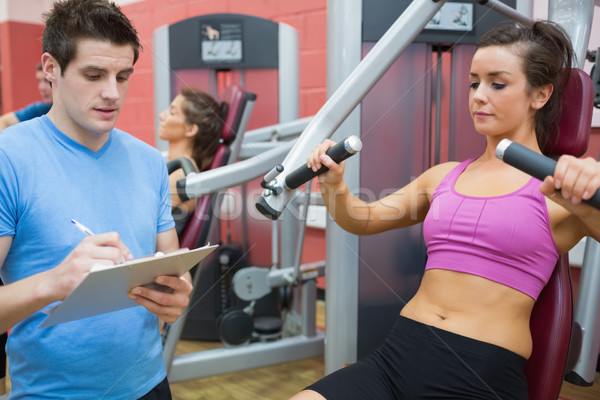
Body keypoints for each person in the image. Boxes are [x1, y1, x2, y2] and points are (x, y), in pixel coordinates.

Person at [292, 21, 600, 400]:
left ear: (540, 95)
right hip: (397, 357)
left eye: (497, 83)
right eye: (474, 83)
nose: (478, 96)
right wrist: (334, 183)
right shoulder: (443, 177)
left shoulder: (559, 189)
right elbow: (363, 219)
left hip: (478, 373)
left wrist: (592, 189)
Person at [0, 0, 192, 399]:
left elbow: (170, 268)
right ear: (51, 68)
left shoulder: (148, 162)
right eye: (94, 74)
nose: (112, 93)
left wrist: (176, 294)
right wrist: (54, 283)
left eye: (123, 76)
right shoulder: (10, 158)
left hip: (150, 385)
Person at [157, 88, 226, 234]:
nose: (161, 115)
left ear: (190, 129)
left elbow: (140, 220)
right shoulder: (177, 169)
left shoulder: (182, 174)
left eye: (172, 112)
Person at [0, 63, 52, 130]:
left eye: (47, 81)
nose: (41, 88)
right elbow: (3, 121)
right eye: (39, 81)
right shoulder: (41, 109)